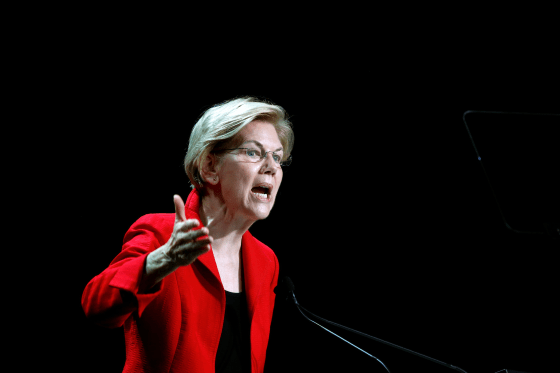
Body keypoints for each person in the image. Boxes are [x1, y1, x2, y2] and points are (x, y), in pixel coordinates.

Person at [81, 96, 294, 373]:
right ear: (209, 167)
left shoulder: (266, 261)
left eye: (277, 157)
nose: (272, 167)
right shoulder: (160, 234)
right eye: (253, 153)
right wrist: (162, 260)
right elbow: (96, 306)